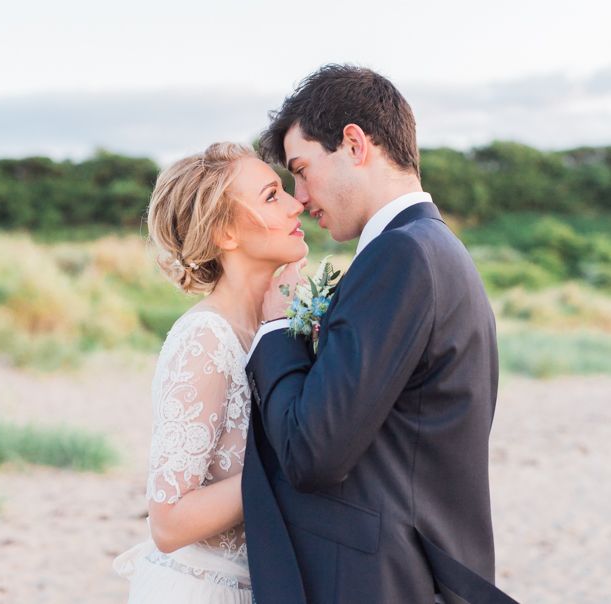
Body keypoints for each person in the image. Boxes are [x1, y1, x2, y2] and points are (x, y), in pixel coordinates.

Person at [242, 65, 518, 603]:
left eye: (302, 170)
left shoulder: (402, 256)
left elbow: (311, 452)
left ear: (353, 144)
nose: (299, 197)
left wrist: (276, 329)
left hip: (386, 580)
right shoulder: (434, 248)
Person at [113, 142, 308, 603]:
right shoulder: (204, 338)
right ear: (224, 233)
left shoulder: (280, 325)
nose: (296, 203)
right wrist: (299, 466)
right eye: (271, 195)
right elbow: (168, 522)